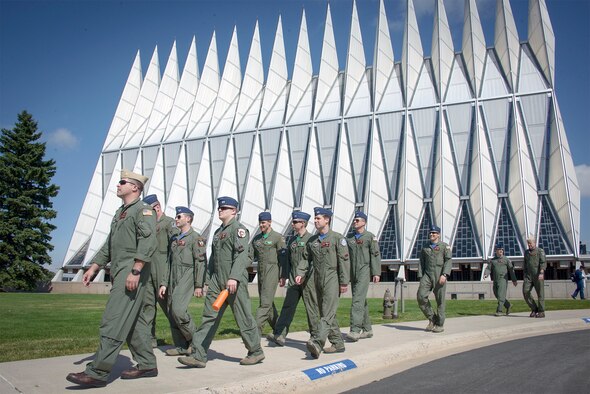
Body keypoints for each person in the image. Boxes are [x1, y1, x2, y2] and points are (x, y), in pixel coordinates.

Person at [66, 170, 158, 387]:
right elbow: (110, 244)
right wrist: (95, 266)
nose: (118, 185)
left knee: (113, 321)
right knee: (134, 323)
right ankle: (147, 364)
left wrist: (135, 270)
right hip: (120, 271)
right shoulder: (121, 213)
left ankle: (97, 372)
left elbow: (148, 241)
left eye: (122, 182)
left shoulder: (143, 211)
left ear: (135, 187)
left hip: (131, 272)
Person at [178, 197, 264, 368]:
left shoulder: (239, 230)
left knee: (243, 317)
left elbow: (241, 256)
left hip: (234, 281)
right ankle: (198, 355)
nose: (220, 210)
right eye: (219, 208)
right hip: (217, 282)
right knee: (208, 317)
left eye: (225, 208)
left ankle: (255, 351)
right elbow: (213, 260)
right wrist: (208, 280)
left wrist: (234, 277)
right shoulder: (218, 233)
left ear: (234, 211)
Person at [158, 207, 207, 356]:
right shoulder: (175, 239)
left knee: (178, 310)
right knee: (171, 311)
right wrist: (164, 283)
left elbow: (200, 263)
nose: (176, 219)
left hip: (187, 274)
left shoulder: (196, 238)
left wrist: (199, 285)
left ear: (188, 219)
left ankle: (195, 341)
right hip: (173, 275)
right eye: (176, 216)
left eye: (179, 216)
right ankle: (181, 346)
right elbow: (168, 262)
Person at [267, 211, 319, 347]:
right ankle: (279, 334)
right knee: (288, 306)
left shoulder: (312, 239)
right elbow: (287, 261)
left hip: (308, 280)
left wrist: (304, 275)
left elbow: (313, 261)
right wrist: (284, 276)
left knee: (311, 308)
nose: (293, 224)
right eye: (293, 221)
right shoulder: (293, 241)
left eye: (296, 222)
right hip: (293, 279)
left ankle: (315, 336)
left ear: (303, 223)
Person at [305, 207, 350, 359]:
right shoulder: (312, 241)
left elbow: (344, 261)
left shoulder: (338, 238)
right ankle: (338, 342)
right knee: (327, 312)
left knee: (327, 312)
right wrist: (300, 274)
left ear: (327, 220)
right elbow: (306, 260)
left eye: (318, 218)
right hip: (317, 279)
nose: (315, 221)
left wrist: (344, 282)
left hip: (332, 278)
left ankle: (317, 342)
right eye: (315, 218)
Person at [141, 194, 176, 348]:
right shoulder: (146, 225)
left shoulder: (169, 223)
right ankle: (150, 339)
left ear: (157, 207)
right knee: (147, 306)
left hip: (162, 269)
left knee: (170, 307)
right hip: (147, 270)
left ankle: (183, 338)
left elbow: (175, 243)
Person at [345, 211, 381, 342]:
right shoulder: (349, 239)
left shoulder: (370, 237)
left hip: (364, 270)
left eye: (358, 220)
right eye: (354, 220)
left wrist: (376, 272)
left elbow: (375, 255)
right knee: (360, 300)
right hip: (353, 273)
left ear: (364, 222)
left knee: (357, 301)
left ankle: (355, 330)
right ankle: (367, 329)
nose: (355, 222)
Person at [249, 211, 287, 334]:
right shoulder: (257, 239)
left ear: (270, 222)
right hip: (261, 272)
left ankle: (255, 331)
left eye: (263, 222)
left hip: (272, 271)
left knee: (265, 303)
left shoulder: (277, 237)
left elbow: (283, 258)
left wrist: (283, 275)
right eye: (260, 223)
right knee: (267, 302)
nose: (261, 225)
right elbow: (249, 256)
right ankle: (279, 329)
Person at [417, 225, 452, 333]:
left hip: (439, 274)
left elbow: (448, 261)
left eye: (434, 233)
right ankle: (432, 318)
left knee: (440, 300)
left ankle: (440, 324)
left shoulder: (444, 247)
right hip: (427, 274)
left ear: (439, 234)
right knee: (421, 296)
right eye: (431, 233)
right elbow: (421, 261)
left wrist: (445, 274)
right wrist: (421, 275)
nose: (432, 234)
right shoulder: (425, 247)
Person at [484, 244, 517, 316]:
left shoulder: (506, 260)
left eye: (502, 250)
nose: (501, 251)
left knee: (501, 294)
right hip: (495, 279)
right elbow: (488, 268)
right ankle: (508, 305)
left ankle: (499, 310)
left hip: (503, 279)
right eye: (499, 250)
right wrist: (486, 274)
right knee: (497, 294)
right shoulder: (493, 260)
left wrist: (514, 280)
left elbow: (511, 270)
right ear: (496, 251)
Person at [523, 236, 546, 318]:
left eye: (530, 243)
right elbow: (525, 264)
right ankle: (534, 308)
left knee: (540, 293)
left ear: (534, 243)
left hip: (538, 275)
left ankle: (541, 311)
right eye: (528, 243)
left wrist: (541, 271)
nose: (529, 245)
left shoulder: (540, 251)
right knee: (525, 292)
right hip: (528, 276)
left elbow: (543, 262)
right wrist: (525, 274)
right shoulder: (526, 252)